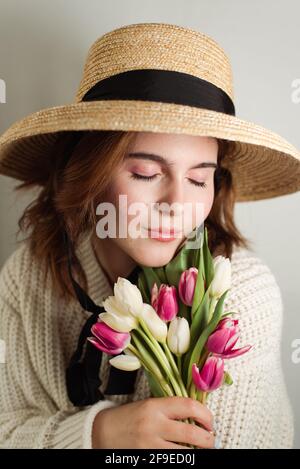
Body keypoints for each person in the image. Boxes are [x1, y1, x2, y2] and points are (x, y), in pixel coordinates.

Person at [0, 22, 299, 449]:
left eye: (199, 180)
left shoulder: (239, 296)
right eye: (146, 172)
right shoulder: (27, 278)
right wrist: (102, 434)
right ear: (90, 172)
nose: (176, 204)